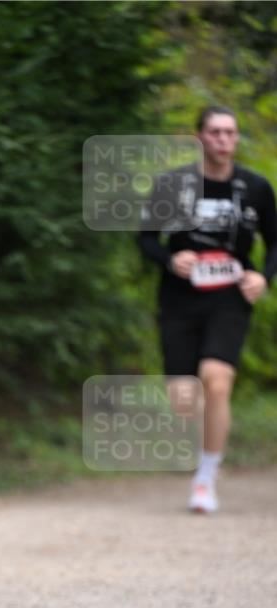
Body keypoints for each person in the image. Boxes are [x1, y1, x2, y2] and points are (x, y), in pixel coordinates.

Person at [138, 105, 276, 513]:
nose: (223, 140)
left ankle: (206, 476)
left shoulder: (255, 187)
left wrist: (264, 277)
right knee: (184, 399)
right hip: (180, 298)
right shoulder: (173, 185)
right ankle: (202, 452)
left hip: (230, 297)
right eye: (215, 132)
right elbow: (146, 238)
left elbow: (275, 242)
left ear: (236, 139)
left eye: (230, 133)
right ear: (199, 137)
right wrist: (169, 259)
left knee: (216, 380)